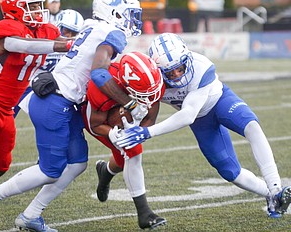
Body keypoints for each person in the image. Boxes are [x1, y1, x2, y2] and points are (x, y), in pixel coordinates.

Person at [0, 0, 146, 232]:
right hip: (52, 101)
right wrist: (129, 102)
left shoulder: (90, 26)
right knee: (50, 170)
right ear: (114, 13)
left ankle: (31, 215)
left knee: (77, 163)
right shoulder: (112, 33)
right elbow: (98, 72)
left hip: (61, 99)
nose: (132, 20)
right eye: (128, 13)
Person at [116, 33, 291, 219]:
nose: (177, 75)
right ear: (158, 71)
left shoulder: (201, 66)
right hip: (202, 121)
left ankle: (275, 187)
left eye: (180, 68)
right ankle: (271, 196)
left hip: (220, 101)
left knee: (252, 126)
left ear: (187, 58)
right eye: (170, 72)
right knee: (230, 172)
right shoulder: (153, 79)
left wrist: (147, 132)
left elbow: (188, 114)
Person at [0, 0, 71, 222]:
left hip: (6, 107)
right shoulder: (6, 28)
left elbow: (65, 40)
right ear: (14, 10)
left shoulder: (44, 29)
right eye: (31, 6)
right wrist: (64, 44)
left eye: (38, 5)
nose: (38, 10)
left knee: (0, 164)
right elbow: (23, 45)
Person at [83, 52, 166, 229]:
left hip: (125, 116)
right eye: (143, 93)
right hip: (100, 120)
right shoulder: (102, 86)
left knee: (122, 160)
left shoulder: (152, 80)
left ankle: (105, 172)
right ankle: (145, 214)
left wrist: (138, 128)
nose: (150, 96)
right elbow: (95, 124)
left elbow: (150, 119)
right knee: (133, 152)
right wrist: (114, 133)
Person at [13, 8, 85, 117]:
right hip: (28, 84)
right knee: (8, 113)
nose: (69, 36)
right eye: (66, 30)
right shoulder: (46, 39)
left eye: (74, 33)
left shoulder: (78, 49)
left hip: (54, 88)